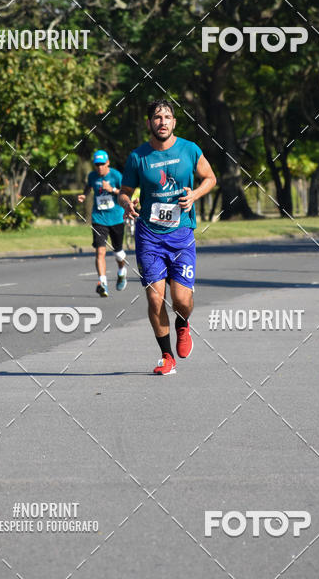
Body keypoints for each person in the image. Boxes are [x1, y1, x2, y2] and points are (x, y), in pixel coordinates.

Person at [118, 99, 217, 375]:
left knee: (182, 300)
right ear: (149, 123)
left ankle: (183, 324)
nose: (162, 121)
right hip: (149, 236)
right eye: (157, 117)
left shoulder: (190, 149)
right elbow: (124, 190)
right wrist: (127, 203)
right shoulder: (138, 156)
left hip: (181, 234)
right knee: (154, 299)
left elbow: (210, 178)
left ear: (174, 122)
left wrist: (194, 195)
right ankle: (166, 356)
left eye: (167, 117)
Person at [77, 149, 127, 297]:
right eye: (97, 164)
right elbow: (89, 186)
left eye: (102, 164)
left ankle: (121, 271)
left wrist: (112, 189)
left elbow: (126, 193)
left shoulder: (116, 175)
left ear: (108, 163)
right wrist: (84, 195)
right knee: (100, 251)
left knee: (118, 252)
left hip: (116, 218)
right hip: (99, 219)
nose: (99, 167)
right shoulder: (92, 176)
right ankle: (103, 283)